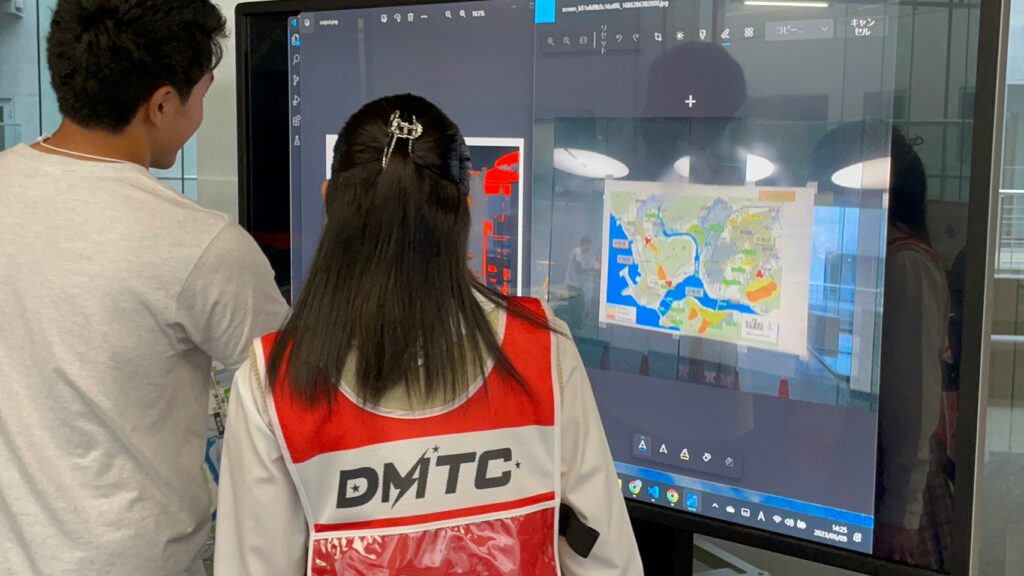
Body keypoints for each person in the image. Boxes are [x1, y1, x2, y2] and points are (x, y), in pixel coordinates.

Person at [214, 95, 642, 576]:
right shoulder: (544, 351)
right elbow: (607, 561)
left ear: (329, 198)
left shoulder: (273, 385)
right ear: (466, 207)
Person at [0, 2, 288, 575]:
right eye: (201, 95)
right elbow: (294, 405)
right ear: (160, 105)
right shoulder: (201, 245)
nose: (200, 113)